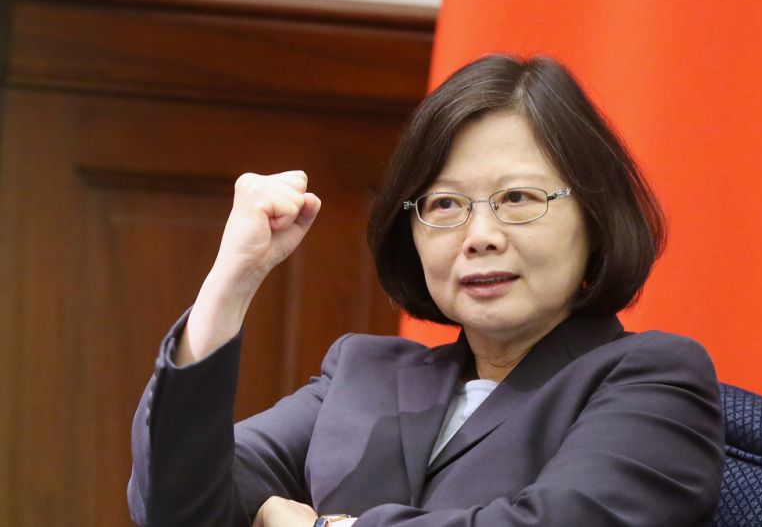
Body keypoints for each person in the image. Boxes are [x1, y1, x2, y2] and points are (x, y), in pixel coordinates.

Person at [128, 55, 725, 527]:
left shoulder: (655, 380)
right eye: (444, 205)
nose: (480, 236)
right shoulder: (362, 374)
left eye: (518, 198)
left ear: (594, 218)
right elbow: (176, 502)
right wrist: (232, 280)